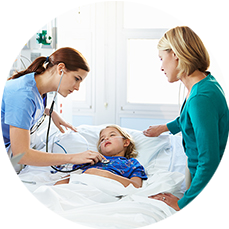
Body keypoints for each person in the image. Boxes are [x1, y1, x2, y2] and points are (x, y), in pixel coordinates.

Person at [143, 26, 229, 228]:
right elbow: (189, 119)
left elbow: (210, 162)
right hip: (205, 182)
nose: (161, 66)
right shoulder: (205, 83)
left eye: (161, 58)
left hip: (215, 189)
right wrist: (164, 127)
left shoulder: (201, 97)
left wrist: (183, 204)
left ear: (175, 54)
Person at [1, 47, 105, 168]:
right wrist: (73, 158)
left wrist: (50, 113)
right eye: (77, 79)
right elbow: (22, 155)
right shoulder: (23, 94)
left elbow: (22, 110)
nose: (77, 87)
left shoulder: (36, 86)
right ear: (60, 69)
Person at [55, 125, 148, 188]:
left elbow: (136, 186)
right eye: (102, 139)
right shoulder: (93, 159)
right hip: (81, 187)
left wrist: (106, 175)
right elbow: (72, 177)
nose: (106, 138)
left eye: (112, 135)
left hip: (106, 189)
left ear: (126, 142)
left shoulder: (132, 163)